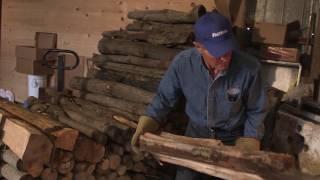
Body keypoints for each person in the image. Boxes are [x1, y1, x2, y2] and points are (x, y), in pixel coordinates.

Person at [131, 12, 268, 180]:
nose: (225, 58)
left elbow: (257, 109)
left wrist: (250, 139)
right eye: (218, 52)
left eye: (228, 50)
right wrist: (149, 120)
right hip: (195, 136)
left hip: (232, 138)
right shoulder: (183, 64)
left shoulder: (250, 69)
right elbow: (164, 98)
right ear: (199, 47)